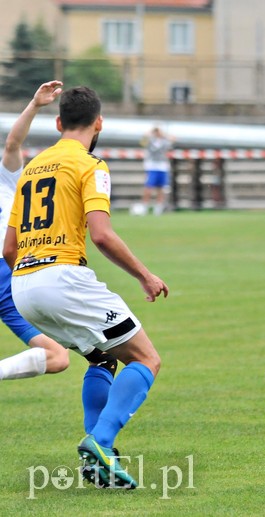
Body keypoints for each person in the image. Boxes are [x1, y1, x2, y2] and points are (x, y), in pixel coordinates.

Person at [3, 86, 169, 489]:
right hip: (64, 279)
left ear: (58, 123)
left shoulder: (31, 169)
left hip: (23, 284)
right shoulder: (91, 165)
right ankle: (101, 441)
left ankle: (100, 464)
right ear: (99, 123)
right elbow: (102, 235)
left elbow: (8, 247)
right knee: (146, 359)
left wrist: (32, 277)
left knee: (102, 359)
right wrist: (145, 275)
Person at [0, 80, 118, 385]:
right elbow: (12, 144)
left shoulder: (21, 176)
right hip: (19, 269)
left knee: (62, 355)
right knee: (71, 356)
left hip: (16, 269)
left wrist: (36, 104)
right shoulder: (21, 177)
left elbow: (13, 144)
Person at [138, 126, 174, 215]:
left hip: (162, 166)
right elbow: (142, 142)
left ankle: (158, 207)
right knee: (148, 187)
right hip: (152, 166)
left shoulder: (164, 141)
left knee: (161, 188)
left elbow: (173, 139)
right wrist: (148, 133)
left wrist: (163, 134)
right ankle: (145, 206)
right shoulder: (150, 141)